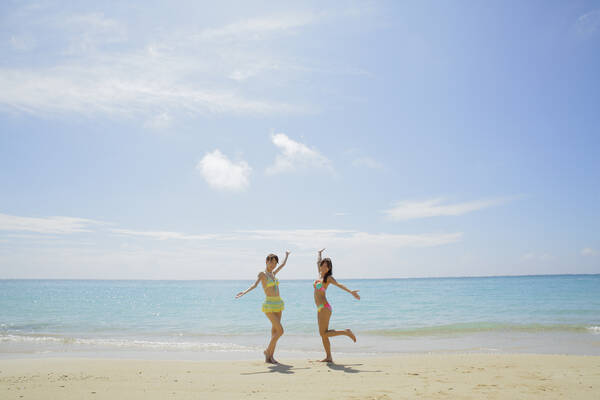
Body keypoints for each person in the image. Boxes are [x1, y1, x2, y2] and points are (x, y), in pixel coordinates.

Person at [236, 251, 290, 363]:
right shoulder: (263, 274)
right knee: (280, 331)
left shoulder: (274, 274)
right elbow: (254, 285)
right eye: (271, 262)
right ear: (266, 262)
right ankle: (267, 351)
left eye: (275, 263)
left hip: (278, 304)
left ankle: (270, 357)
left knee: (275, 332)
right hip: (269, 305)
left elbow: (283, 265)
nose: (273, 265)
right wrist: (244, 292)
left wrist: (287, 256)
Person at [314, 248, 360, 362]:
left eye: (326, 266)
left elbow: (339, 284)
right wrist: (319, 254)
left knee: (324, 333)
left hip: (325, 307)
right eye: (322, 265)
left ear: (329, 268)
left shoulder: (328, 278)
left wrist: (351, 292)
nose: (324, 267)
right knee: (323, 334)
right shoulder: (319, 276)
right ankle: (328, 357)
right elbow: (318, 262)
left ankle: (346, 332)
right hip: (319, 308)